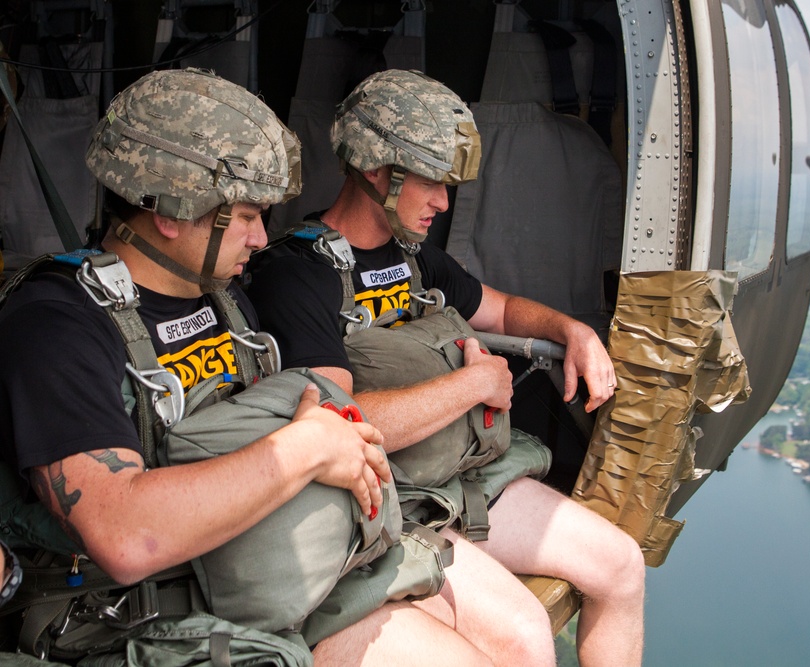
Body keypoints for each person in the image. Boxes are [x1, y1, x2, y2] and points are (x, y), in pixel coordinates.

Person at [0, 68, 493, 665]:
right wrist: (303, 450)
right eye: (248, 215)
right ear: (172, 212)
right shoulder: (57, 325)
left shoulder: (223, 297)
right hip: (140, 614)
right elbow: (126, 534)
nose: (264, 238)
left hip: (269, 572)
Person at [246, 69, 646, 667]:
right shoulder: (299, 275)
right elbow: (340, 421)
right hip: (387, 500)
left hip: (453, 478)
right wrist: (473, 385)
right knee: (526, 640)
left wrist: (572, 330)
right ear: (378, 171)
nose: (443, 201)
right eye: (432, 180)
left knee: (621, 566)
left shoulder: (412, 259)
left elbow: (502, 308)